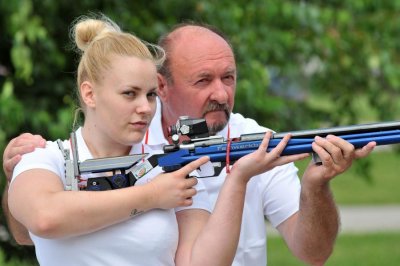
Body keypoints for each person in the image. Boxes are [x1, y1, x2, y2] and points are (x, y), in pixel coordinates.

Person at [2, 22, 375, 265]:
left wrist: (242, 179)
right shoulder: (55, 158)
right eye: (131, 94)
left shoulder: (175, 161)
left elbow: (204, 263)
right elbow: (39, 221)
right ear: (90, 93)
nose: (144, 108)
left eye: (229, 77)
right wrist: (151, 196)